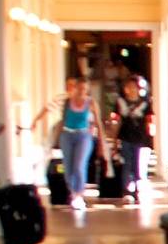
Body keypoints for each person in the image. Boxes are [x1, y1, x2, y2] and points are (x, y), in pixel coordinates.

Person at [26, 76, 107, 212]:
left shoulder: (91, 103)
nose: (78, 89)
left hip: (83, 136)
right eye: (73, 86)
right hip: (67, 135)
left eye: (81, 87)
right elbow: (48, 108)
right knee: (68, 167)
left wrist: (101, 142)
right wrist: (35, 121)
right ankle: (72, 191)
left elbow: (98, 123)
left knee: (79, 166)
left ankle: (78, 195)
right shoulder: (64, 100)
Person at [114, 74, 151, 201]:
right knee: (126, 162)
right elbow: (117, 120)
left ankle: (136, 188)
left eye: (134, 87)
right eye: (129, 87)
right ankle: (126, 188)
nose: (131, 89)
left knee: (136, 162)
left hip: (139, 136)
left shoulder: (145, 103)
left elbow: (149, 119)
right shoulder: (121, 102)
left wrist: (150, 136)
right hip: (125, 135)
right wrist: (114, 138)